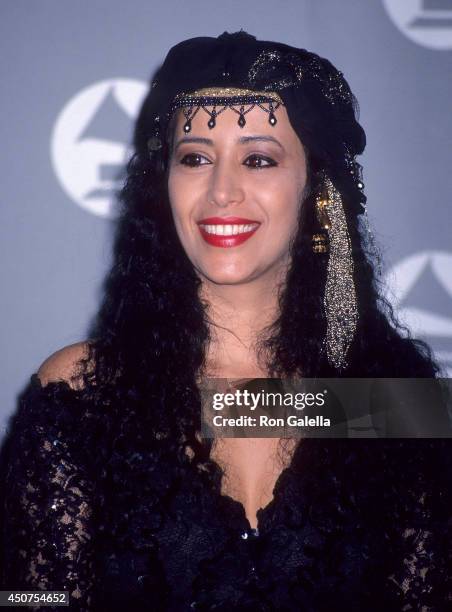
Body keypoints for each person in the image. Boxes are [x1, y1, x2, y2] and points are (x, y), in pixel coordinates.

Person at [1, 30, 451, 611]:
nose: (221, 191)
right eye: (195, 159)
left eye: (259, 159)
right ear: (161, 185)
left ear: (317, 190)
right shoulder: (83, 394)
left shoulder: (393, 399)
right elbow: (28, 601)